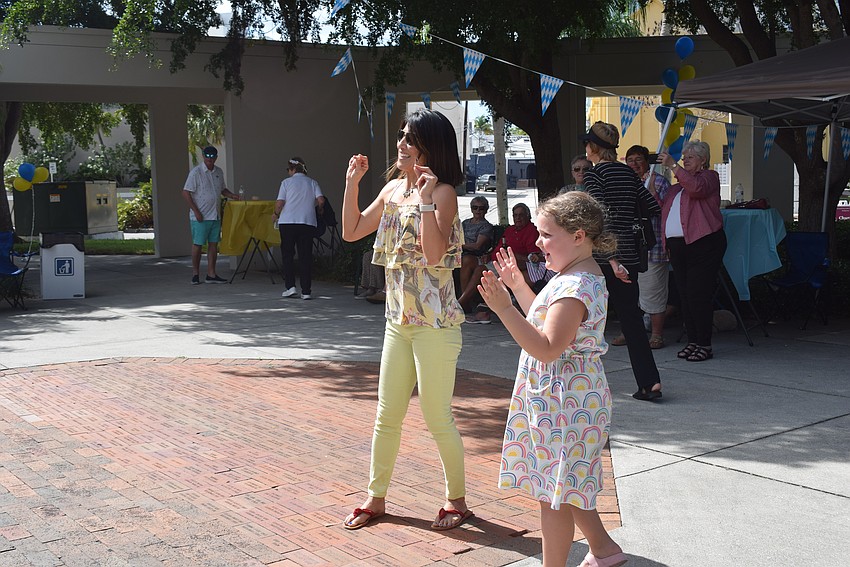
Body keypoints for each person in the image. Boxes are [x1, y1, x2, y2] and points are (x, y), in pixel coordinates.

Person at [478, 191, 627, 567]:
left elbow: (546, 347)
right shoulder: (572, 275)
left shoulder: (576, 285)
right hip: (563, 399)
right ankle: (604, 549)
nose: (538, 243)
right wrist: (518, 288)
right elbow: (546, 321)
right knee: (564, 482)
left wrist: (503, 309)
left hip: (564, 402)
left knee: (554, 492)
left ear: (578, 235)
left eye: (547, 235)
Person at [340, 109, 472, 531]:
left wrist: (429, 200)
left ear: (431, 148)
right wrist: (351, 184)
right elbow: (352, 230)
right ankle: (375, 498)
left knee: (437, 418)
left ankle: (457, 501)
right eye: (401, 136)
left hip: (436, 326)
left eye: (410, 139)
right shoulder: (394, 189)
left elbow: (434, 256)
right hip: (398, 321)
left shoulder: (445, 192)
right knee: (386, 415)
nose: (401, 145)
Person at [582, 121, 663, 402]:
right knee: (631, 321)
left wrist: (611, 258)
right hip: (630, 256)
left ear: (593, 147)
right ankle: (649, 382)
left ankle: (578, 388)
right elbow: (653, 207)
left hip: (605, 259)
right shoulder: (628, 173)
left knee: (584, 321)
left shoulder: (594, 176)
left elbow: (599, 220)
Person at [658, 141, 726, 362]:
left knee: (698, 294)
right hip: (679, 246)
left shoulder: (709, 177)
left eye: (690, 157)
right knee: (685, 296)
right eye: (684, 156)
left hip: (703, 243)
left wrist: (673, 166)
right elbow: (662, 207)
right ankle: (693, 341)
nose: (685, 160)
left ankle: (705, 343)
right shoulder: (677, 187)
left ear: (703, 160)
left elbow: (697, 189)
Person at [610, 145, 672, 350]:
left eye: (639, 159)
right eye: (630, 160)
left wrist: (652, 191)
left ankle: (656, 334)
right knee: (629, 293)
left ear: (647, 161)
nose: (634, 164)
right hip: (629, 246)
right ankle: (629, 332)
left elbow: (661, 211)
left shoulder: (659, 181)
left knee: (653, 291)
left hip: (652, 247)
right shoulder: (624, 182)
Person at [182, 145, 241, 285]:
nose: (210, 159)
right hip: (201, 216)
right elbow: (186, 192)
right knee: (198, 244)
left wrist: (232, 195)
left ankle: (211, 273)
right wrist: (196, 211)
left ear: (215, 157)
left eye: (212, 157)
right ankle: (195, 274)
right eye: (207, 157)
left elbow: (222, 189)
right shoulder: (196, 173)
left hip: (215, 215)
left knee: (213, 244)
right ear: (203, 156)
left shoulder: (218, 172)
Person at [274, 157, 326, 300]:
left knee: (287, 255)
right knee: (305, 256)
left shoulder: (286, 183)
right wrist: (319, 210)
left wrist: (275, 214)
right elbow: (321, 200)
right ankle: (306, 290)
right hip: (307, 222)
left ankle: (290, 287)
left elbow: (279, 203)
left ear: (292, 169)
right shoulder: (312, 182)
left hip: (288, 222)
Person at [457, 196, 494, 320]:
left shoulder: (486, 226)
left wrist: (460, 245)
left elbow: (477, 246)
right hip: (460, 254)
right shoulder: (465, 223)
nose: (478, 210)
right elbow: (456, 237)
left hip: (476, 257)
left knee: (466, 261)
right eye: (475, 207)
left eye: (481, 208)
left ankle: (463, 302)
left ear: (486, 210)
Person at [495, 202, 542, 288]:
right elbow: (499, 247)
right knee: (479, 269)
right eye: (515, 215)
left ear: (528, 216)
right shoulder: (510, 230)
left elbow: (532, 259)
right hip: (499, 262)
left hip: (516, 266)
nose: (518, 218)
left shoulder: (531, 231)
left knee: (498, 277)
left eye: (521, 215)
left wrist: (513, 256)